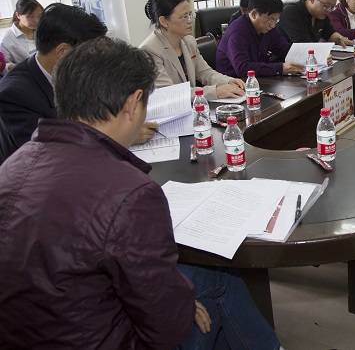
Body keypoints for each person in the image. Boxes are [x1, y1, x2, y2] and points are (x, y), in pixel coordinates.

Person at [0, 37, 281, 350]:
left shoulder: (13, 164)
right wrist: (181, 304)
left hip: (27, 331)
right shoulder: (129, 192)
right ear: (133, 103)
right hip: (98, 338)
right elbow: (165, 327)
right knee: (216, 277)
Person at [0, 3, 140, 158]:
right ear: (63, 51)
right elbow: (46, 153)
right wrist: (116, 136)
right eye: (89, 54)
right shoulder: (14, 95)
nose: (93, 61)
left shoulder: (72, 73)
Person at [140, 0, 245, 101]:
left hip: (191, 105)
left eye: (190, 14)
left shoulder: (189, 41)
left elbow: (205, 73)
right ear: (164, 21)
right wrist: (215, 92)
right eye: (184, 17)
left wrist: (229, 81)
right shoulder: (149, 50)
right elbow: (169, 92)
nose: (190, 21)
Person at [217, 0, 305, 77]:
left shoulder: (267, 29)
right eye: (271, 19)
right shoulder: (238, 32)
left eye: (276, 20)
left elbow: (285, 50)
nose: (273, 25)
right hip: (234, 81)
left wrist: (306, 56)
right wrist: (280, 68)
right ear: (254, 14)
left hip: (259, 79)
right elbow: (242, 68)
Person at [277, 0, 353, 46]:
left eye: (332, 7)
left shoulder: (321, 14)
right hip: (286, 56)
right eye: (326, 6)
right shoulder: (292, 12)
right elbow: (303, 44)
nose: (329, 10)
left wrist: (341, 39)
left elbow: (329, 33)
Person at [0, 0, 43, 72]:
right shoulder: (7, 38)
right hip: (24, 75)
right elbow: (3, 65)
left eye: (39, 16)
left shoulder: (42, 31)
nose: (36, 20)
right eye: (31, 16)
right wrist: (12, 67)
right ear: (18, 15)